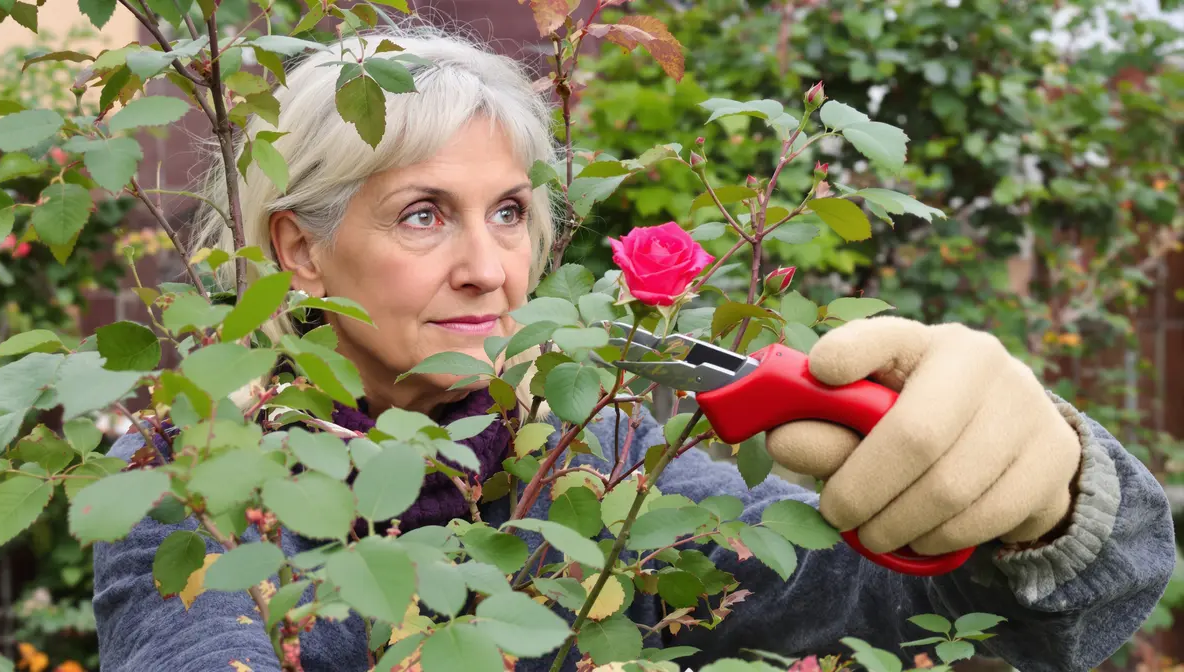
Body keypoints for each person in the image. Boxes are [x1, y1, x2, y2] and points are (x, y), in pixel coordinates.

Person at [92, 23, 1176, 672]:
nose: (490, 269)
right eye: (424, 213)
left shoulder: (602, 460)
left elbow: (969, 625)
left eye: (509, 212)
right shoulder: (190, 488)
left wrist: (1054, 504)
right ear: (302, 249)